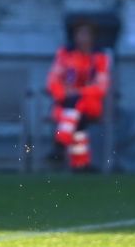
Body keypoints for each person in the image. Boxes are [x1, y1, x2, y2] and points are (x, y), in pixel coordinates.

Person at [46, 20, 111, 171]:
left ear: (93, 37)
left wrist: (79, 92)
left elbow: (101, 87)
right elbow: (53, 80)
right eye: (80, 34)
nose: (83, 38)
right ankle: (81, 164)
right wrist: (63, 93)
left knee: (76, 105)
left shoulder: (100, 58)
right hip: (66, 105)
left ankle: (60, 143)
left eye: (87, 34)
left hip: (90, 104)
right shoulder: (65, 55)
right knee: (77, 118)